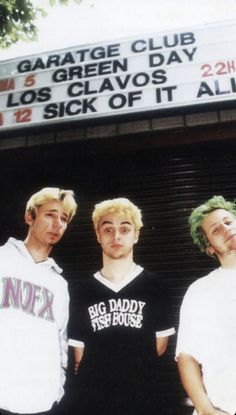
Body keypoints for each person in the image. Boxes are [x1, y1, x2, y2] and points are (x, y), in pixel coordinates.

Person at [68, 197, 175, 415]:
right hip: (92, 403)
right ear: (98, 235)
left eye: (125, 229)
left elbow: (160, 346)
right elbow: (78, 356)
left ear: (136, 235)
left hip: (144, 402)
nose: (116, 236)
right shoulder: (80, 292)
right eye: (108, 229)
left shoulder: (157, 287)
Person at [0, 187, 77, 415]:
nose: (57, 224)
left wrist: (57, 387)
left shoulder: (59, 284)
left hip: (41, 404)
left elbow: (61, 341)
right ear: (29, 216)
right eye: (50, 214)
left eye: (64, 219)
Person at [176, 195, 236, 415]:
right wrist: (207, 410)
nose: (225, 228)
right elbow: (187, 357)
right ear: (209, 247)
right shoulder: (200, 291)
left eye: (228, 222)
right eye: (216, 230)